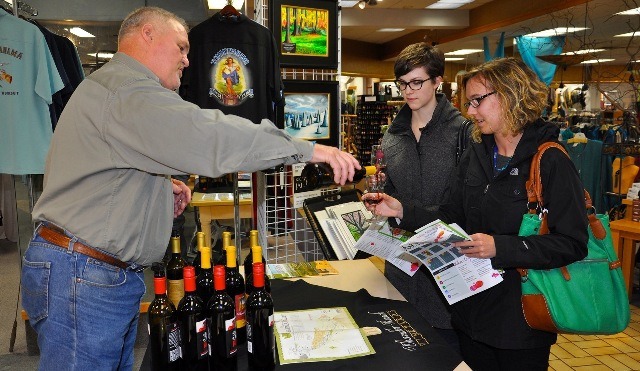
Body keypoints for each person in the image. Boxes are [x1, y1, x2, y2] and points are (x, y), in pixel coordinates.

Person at [21, 7, 359, 370]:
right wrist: (307, 149)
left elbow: (104, 166)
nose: (186, 60)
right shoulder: (130, 91)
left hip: (87, 271)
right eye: (181, 47)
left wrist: (159, 185)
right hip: (84, 276)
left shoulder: (114, 89)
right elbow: (210, 135)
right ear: (147, 34)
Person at [364, 57, 588, 370]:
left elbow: (572, 243)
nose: (470, 112)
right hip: (469, 313)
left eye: (477, 101)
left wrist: (500, 247)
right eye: (468, 103)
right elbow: (450, 216)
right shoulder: (476, 153)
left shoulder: (549, 161)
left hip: (520, 321)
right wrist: (402, 210)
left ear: (511, 95)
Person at [380, 42, 468, 349]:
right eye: (402, 84)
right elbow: (390, 188)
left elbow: (465, 207)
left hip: (449, 270)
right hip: (401, 268)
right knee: (403, 347)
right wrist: (381, 203)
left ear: (437, 81)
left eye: (417, 82)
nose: (408, 91)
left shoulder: (465, 132)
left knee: (449, 352)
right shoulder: (393, 135)